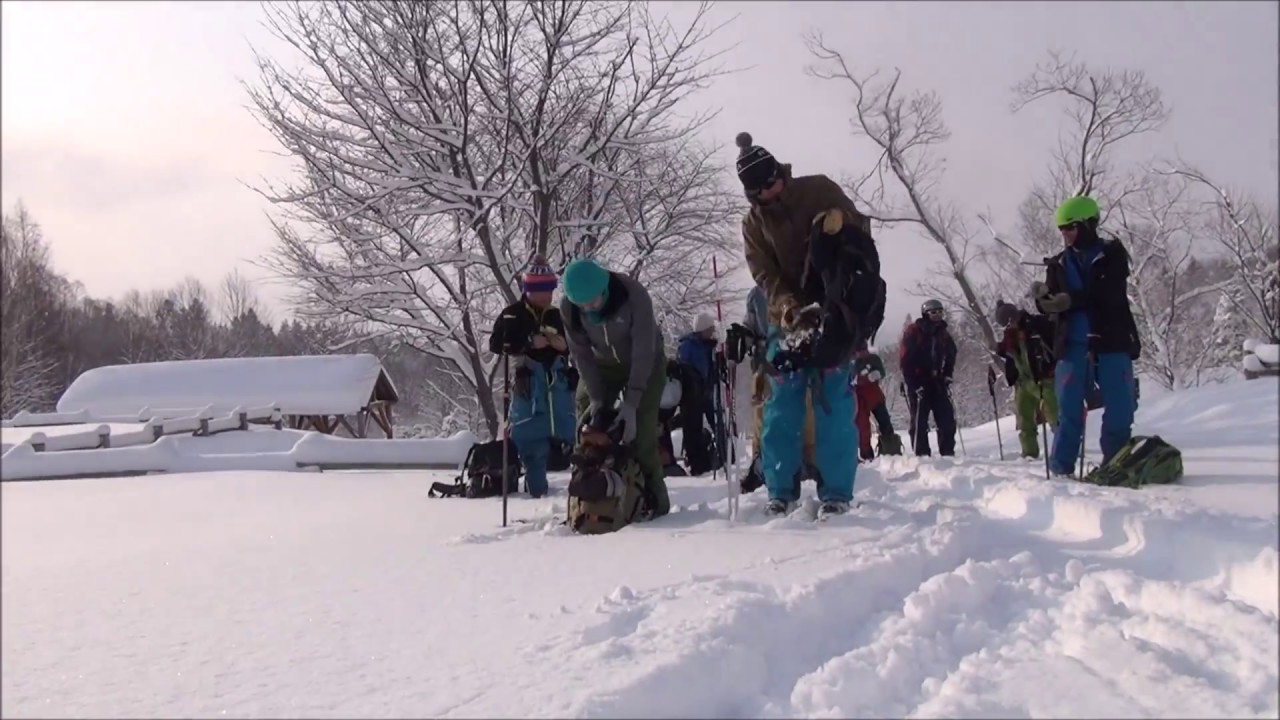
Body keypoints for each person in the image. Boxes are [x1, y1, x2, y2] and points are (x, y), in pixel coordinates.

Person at [737, 131, 872, 518]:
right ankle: (780, 490)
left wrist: (839, 222)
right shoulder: (752, 225)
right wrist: (792, 310)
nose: (770, 190)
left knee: (833, 402)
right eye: (760, 189)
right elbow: (765, 276)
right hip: (789, 319)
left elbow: (861, 233)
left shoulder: (818, 189)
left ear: (781, 170)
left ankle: (837, 494)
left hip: (836, 311)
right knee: (781, 405)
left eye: (773, 179)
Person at [1030, 195, 1141, 474]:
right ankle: (1060, 470)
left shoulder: (1112, 254)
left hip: (1112, 340)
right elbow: (1053, 302)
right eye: (1061, 229)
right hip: (1071, 346)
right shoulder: (1058, 264)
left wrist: (1070, 300)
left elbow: (1108, 292)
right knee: (1068, 412)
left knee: (1120, 408)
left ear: (1088, 225)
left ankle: (1114, 466)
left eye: (1070, 227)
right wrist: (1044, 301)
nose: (1064, 234)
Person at [559, 256, 672, 518]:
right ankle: (586, 498)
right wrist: (597, 398)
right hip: (601, 366)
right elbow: (581, 354)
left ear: (605, 288)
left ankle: (655, 496)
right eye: (582, 304)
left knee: (642, 431)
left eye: (593, 301)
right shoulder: (570, 309)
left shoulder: (634, 296)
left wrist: (631, 402)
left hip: (645, 362)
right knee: (588, 419)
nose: (588, 308)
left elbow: (645, 349)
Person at [487, 255, 576, 498]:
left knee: (566, 436)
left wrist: (563, 345)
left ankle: (578, 492)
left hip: (557, 382)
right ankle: (537, 493)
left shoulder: (559, 316)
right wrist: (527, 343)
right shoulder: (511, 315)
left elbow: (577, 345)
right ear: (528, 290)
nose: (547, 295)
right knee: (531, 438)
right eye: (541, 290)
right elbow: (495, 344)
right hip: (527, 382)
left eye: (549, 290)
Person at [732, 286, 817, 494]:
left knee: (805, 413)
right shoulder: (756, 295)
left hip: (799, 361)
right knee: (762, 416)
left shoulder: (804, 284)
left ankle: (809, 461)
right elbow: (750, 324)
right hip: (763, 364)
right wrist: (744, 336)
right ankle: (762, 464)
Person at [994, 299, 1058, 460]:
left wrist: (1051, 366)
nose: (1010, 324)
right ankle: (1029, 454)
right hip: (1022, 382)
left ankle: (1065, 451)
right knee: (1024, 421)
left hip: (1043, 379)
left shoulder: (1036, 325)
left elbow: (1054, 339)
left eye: (1010, 320)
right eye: (1005, 323)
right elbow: (1010, 355)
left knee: (1056, 417)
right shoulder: (1009, 337)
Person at [898, 299, 959, 456]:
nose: (938, 315)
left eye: (940, 312)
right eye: (934, 312)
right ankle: (922, 455)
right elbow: (905, 359)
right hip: (919, 380)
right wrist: (912, 383)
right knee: (920, 421)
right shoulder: (915, 331)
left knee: (946, 419)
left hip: (937, 380)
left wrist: (947, 374)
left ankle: (947, 453)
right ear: (925, 314)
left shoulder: (942, 333)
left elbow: (952, 353)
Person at [676, 312, 723, 472]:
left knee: (716, 422)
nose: (712, 332)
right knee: (692, 428)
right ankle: (696, 462)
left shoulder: (707, 346)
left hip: (706, 392)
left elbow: (710, 367)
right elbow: (684, 370)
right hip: (692, 395)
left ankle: (722, 455)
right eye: (709, 329)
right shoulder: (688, 347)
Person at [852, 347, 902, 460]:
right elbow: (851, 379)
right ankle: (867, 455)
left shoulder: (873, 359)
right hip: (859, 399)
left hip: (874, 395)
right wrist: (861, 379)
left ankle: (891, 451)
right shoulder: (851, 362)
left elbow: (881, 372)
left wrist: (877, 374)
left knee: (885, 423)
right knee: (862, 428)